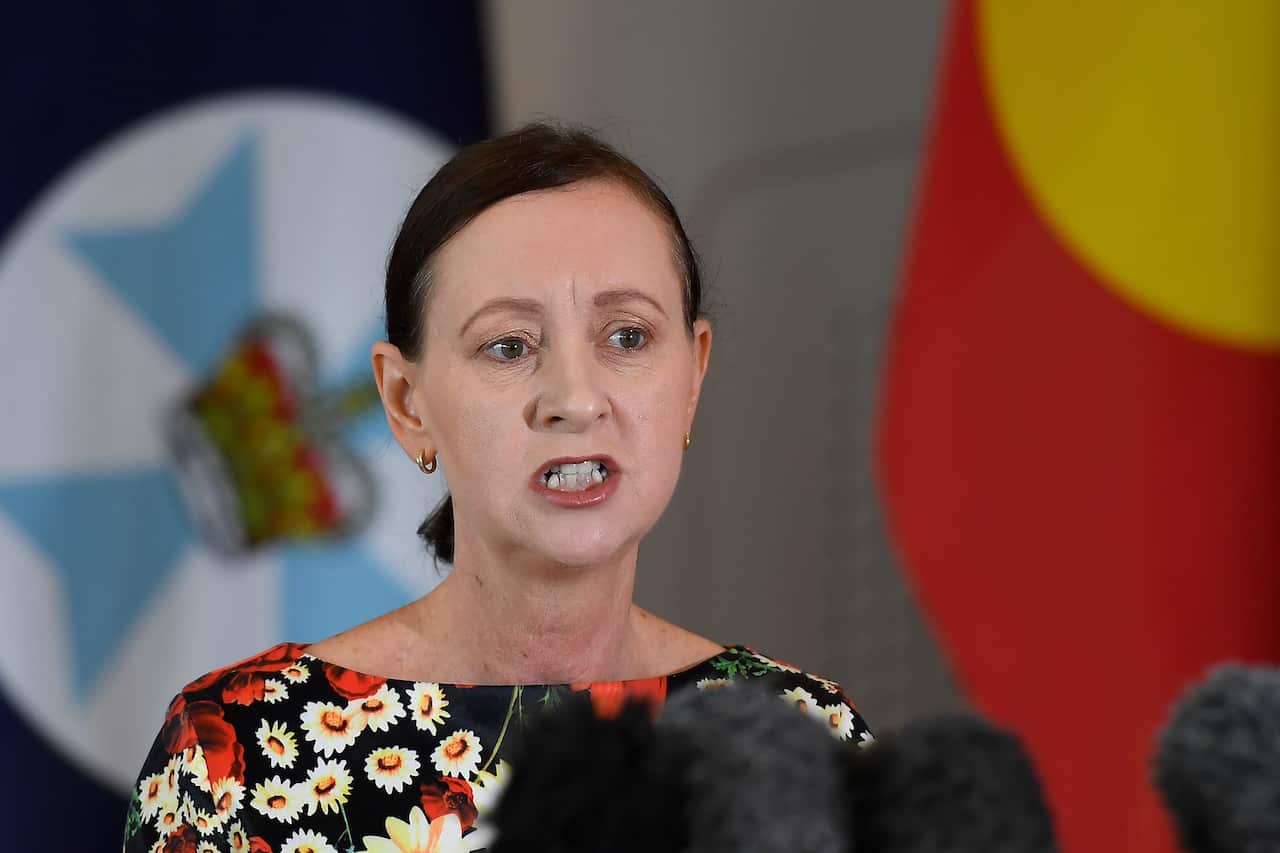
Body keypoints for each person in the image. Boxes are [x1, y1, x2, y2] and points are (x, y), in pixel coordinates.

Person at [122, 122, 872, 853]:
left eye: (627, 336)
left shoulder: (809, 739)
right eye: (508, 346)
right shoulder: (232, 754)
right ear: (407, 403)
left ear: (694, 376)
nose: (576, 399)